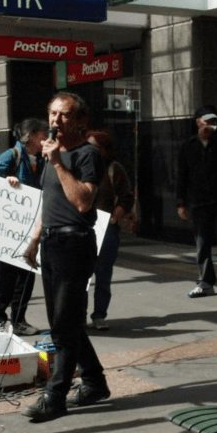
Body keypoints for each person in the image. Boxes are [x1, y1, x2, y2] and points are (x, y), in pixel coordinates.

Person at [21, 92, 109, 421]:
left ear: (80, 121)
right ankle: (95, 382)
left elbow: (83, 202)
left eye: (65, 115)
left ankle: (55, 396)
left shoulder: (88, 154)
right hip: (52, 244)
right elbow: (50, 201)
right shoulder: (49, 155)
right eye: (52, 113)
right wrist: (34, 241)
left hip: (75, 245)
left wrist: (58, 162)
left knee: (63, 324)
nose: (56, 120)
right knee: (66, 321)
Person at [0, 118, 48, 336]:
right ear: (31, 136)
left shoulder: (44, 160)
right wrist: (6, 180)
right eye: (43, 134)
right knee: (4, 280)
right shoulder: (12, 155)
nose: (47, 138)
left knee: (26, 280)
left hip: (29, 232)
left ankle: (19, 320)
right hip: (6, 231)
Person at [176, 105, 217, 301]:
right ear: (198, 121)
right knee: (202, 244)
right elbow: (182, 176)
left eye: (214, 122)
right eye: (207, 121)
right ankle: (205, 282)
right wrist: (181, 202)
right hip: (199, 202)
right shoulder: (189, 145)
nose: (211, 125)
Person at [87, 129, 135, 331]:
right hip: (84, 226)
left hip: (107, 228)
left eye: (94, 147)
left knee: (103, 275)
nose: (90, 150)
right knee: (81, 277)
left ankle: (99, 316)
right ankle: (78, 316)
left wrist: (116, 216)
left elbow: (126, 196)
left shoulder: (115, 169)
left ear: (105, 150)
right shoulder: (82, 165)